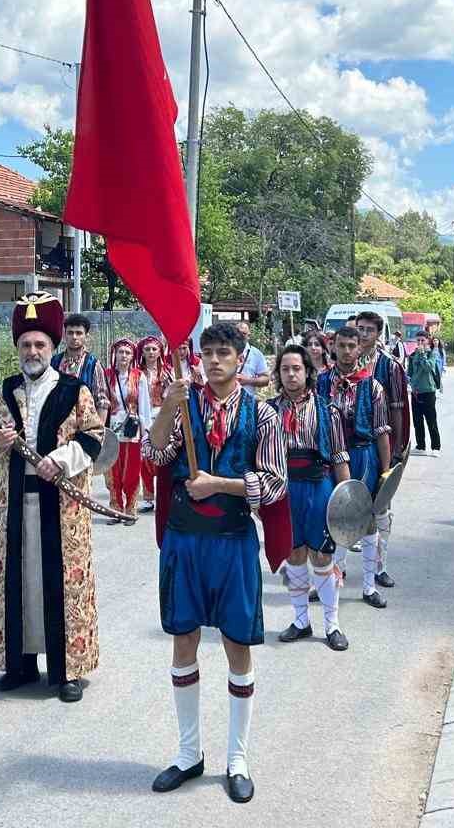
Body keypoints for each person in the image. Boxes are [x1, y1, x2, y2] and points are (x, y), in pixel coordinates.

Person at [144, 322, 287, 804]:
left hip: (231, 539)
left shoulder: (261, 415)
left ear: (241, 358)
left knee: (236, 643)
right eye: (208, 353)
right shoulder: (184, 406)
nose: (214, 361)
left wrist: (219, 484)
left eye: (224, 353)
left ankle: (238, 758)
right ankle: (189, 754)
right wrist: (166, 406)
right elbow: (154, 455)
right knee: (183, 638)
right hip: (184, 539)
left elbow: (272, 485)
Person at [0, 293, 105, 703]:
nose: (32, 352)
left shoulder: (74, 389)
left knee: (59, 584)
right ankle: (18, 665)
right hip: (16, 503)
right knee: (20, 581)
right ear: (17, 349)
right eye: (25, 345)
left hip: (62, 509)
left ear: (53, 348)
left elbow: (95, 436)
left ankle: (66, 671)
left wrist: (61, 460)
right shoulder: (8, 389)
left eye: (40, 345)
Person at [273, 345, 349, 651]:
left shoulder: (327, 409)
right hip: (284, 490)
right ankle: (301, 621)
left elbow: (339, 456)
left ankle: (332, 624)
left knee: (322, 556)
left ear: (308, 372)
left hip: (319, 487)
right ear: (278, 374)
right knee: (293, 555)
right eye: (285, 369)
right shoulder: (267, 410)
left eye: (297, 369)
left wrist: (348, 503)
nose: (291, 374)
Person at [316, 324, 390, 608]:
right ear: (333, 347)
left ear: (360, 348)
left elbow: (382, 431)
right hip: (328, 455)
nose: (346, 352)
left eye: (352, 346)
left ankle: (369, 587)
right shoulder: (321, 382)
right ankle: (330, 578)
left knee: (367, 519)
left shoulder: (372, 386)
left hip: (363, 457)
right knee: (331, 516)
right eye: (341, 345)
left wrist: (385, 472)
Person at [355, 311, 410, 590]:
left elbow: (399, 410)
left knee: (380, 507)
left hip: (381, 447)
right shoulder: (345, 362)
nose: (363, 334)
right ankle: (329, 573)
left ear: (378, 334)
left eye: (368, 330)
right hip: (349, 449)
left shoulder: (390, 367)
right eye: (359, 329)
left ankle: (380, 567)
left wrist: (397, 451)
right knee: (344, 508)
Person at [105, 337, 148, 522]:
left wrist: (146, 433)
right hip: (112, 427)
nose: (124, 356)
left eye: (127, 352)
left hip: (132, 429)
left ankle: (130, 509)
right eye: (121, 352)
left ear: (132, 356)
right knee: (113, 470)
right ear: (115, 354)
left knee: (131, 470)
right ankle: (116, 508)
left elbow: (144, 405)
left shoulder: (139, 376)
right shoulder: (107, 375)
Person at [52, 313, 109, 420]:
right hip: (55, 426)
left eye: (79, 333)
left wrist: (98, 433)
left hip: (84, 427)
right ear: (64, 336)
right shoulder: (54, 362)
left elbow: (102, 402)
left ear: (86, 337)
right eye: (70, 333)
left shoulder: (93, 364)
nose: (74, 337)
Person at [137, 335, 169, 513]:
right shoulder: (137, 372)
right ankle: (148, 498)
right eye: (147, 349)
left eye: (154, 349)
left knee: (163, 458)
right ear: (142, 351)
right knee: (145, 459)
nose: (150, 352)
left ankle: (164, 496)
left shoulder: (167, 372)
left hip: (162, 417)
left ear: (160, 352)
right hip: (143, 418)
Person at [408, 335, 442, 453]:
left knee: (431, 420)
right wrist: (410, 384)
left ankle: (436, 447)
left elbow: (428, 367)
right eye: (418, 340)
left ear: (428, 341)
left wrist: (422, 354)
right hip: (416, 392)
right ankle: (420, 446)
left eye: (423, 340)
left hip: (428, 391)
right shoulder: (412, 355)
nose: (420, 342)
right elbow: (410, 372)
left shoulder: (431, 353)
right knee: (417, 421)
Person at [233, 319, 272, 392]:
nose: (240, 336)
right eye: (237, 333)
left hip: (247, 401)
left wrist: (248, 380)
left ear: (249, 336)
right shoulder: (224, 352)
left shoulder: (256, 354)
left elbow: (266, 380)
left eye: (244, 333)